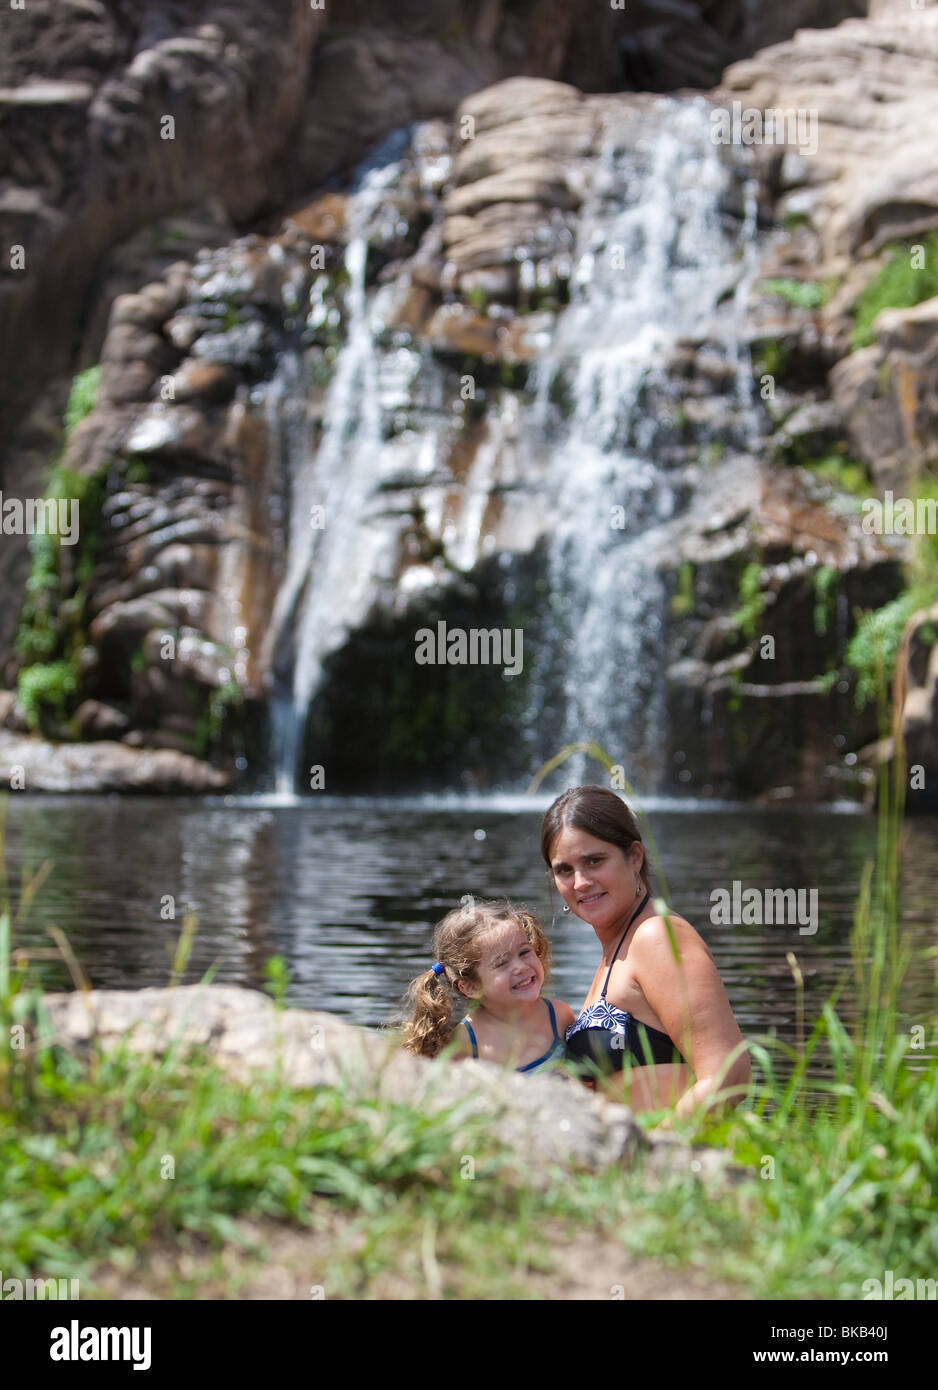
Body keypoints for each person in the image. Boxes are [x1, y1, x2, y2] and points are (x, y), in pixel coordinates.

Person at [541, 785, 751, 1116]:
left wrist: (655, 1151)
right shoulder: (617, 949)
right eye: (564, 870)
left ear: (635, 858)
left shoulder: (657, 937)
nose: (580, 882)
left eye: (594, 861)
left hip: (668, 1159)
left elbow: (729, 1074)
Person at [402, 897, 576, 1072]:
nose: (521, 967)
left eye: (524, 952)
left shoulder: (560, 1016)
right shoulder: (465, 1041)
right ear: (471, 987)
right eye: (502, 963)